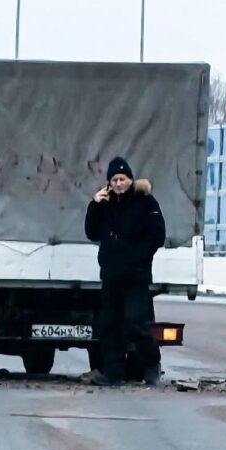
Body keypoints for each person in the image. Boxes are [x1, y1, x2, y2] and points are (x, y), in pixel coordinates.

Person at [83, 156, 165, 386]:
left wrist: (139, 257)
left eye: (122, 179)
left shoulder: (145, 203)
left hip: (136, 276)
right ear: (109, 183)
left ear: (130, 180)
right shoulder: (105, 205)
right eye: (114, 180)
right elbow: (91, 232)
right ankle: (113, 372)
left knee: (136, 323)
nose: (119, 184)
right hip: (111, 275)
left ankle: (152, 364)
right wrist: (94, 204)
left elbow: (157, 236)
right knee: (110, 325)